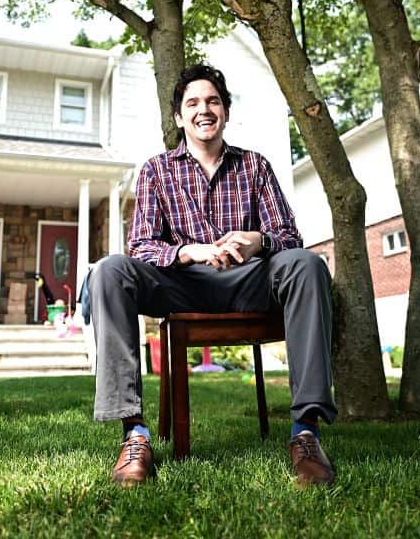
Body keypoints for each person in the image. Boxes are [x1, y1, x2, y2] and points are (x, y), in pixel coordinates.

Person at [90, 63, 337, 487]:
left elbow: (290, 237)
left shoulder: (255, 166)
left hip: (249, 281)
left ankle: (306, 433)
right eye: (193, 103)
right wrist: (190, 251)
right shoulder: (156, 170)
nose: (204, 110)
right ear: (178, 116)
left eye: (213, 101)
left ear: (225, 111)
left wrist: (258, 241)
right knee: (110, 270)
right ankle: (134, 433)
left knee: (307, 263)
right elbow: (143, 246)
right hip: (182, 286)